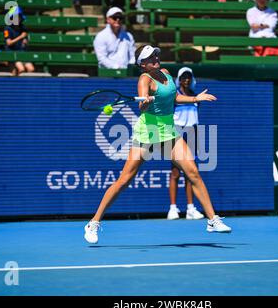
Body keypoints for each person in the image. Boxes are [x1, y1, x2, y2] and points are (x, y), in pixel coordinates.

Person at [84, 45, 232, 244]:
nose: (155, 57)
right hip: (148, 132)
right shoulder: (144, 79)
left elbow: (175, 98)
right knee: (124, 180)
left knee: (193, 172)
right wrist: (145, 101)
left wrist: (195, 98)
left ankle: (212, 220)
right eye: (150, 57)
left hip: (169, 132)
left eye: (155, 54)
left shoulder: (166, 73)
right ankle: (93, 223)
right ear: (142, 64)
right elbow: (142, 106)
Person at [167, 67, 205, 220]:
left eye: (189, 77)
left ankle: (190, 208)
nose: (187, 80)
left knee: (191, 173)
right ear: (179, 79)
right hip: (177, 135)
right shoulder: (175, 97)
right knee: (175, 173)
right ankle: (173, 209)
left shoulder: (196, 98)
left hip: (192, 135)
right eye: (184, 77)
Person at [4, 6, 35, 76]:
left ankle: (27, 84)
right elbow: (9, 43)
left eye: (18, 17)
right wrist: (21, 37)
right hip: (12, 53)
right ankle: (19, 85)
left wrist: (25, 41)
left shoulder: (23, 28)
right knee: (21, 69)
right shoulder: (8, 29)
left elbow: (25, 41)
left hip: (22, 53)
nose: (17, 19)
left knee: (31, 69)